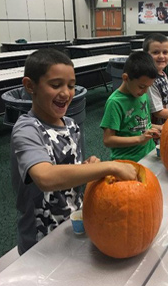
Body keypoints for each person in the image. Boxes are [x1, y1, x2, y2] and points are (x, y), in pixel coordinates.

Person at [10, 48, 137, 255]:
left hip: (72, 224)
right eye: (55, 85)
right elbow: (45, 177)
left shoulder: (70, 124)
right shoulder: (27, 129)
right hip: (41, 238)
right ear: (30, 86)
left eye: (71, 85)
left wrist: (85, 167)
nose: (66, 93)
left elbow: (68, 170)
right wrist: (109, 166)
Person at [100, 51, 162, 162]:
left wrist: (159, 128)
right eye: (142, 86)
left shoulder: (142, 94)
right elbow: (108, 140)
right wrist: (139, 139)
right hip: (127, 160)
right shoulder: (115, 103)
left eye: (149, 86)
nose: (145, 91)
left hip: (148, 154)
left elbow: (142, 124)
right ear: (125, 78)